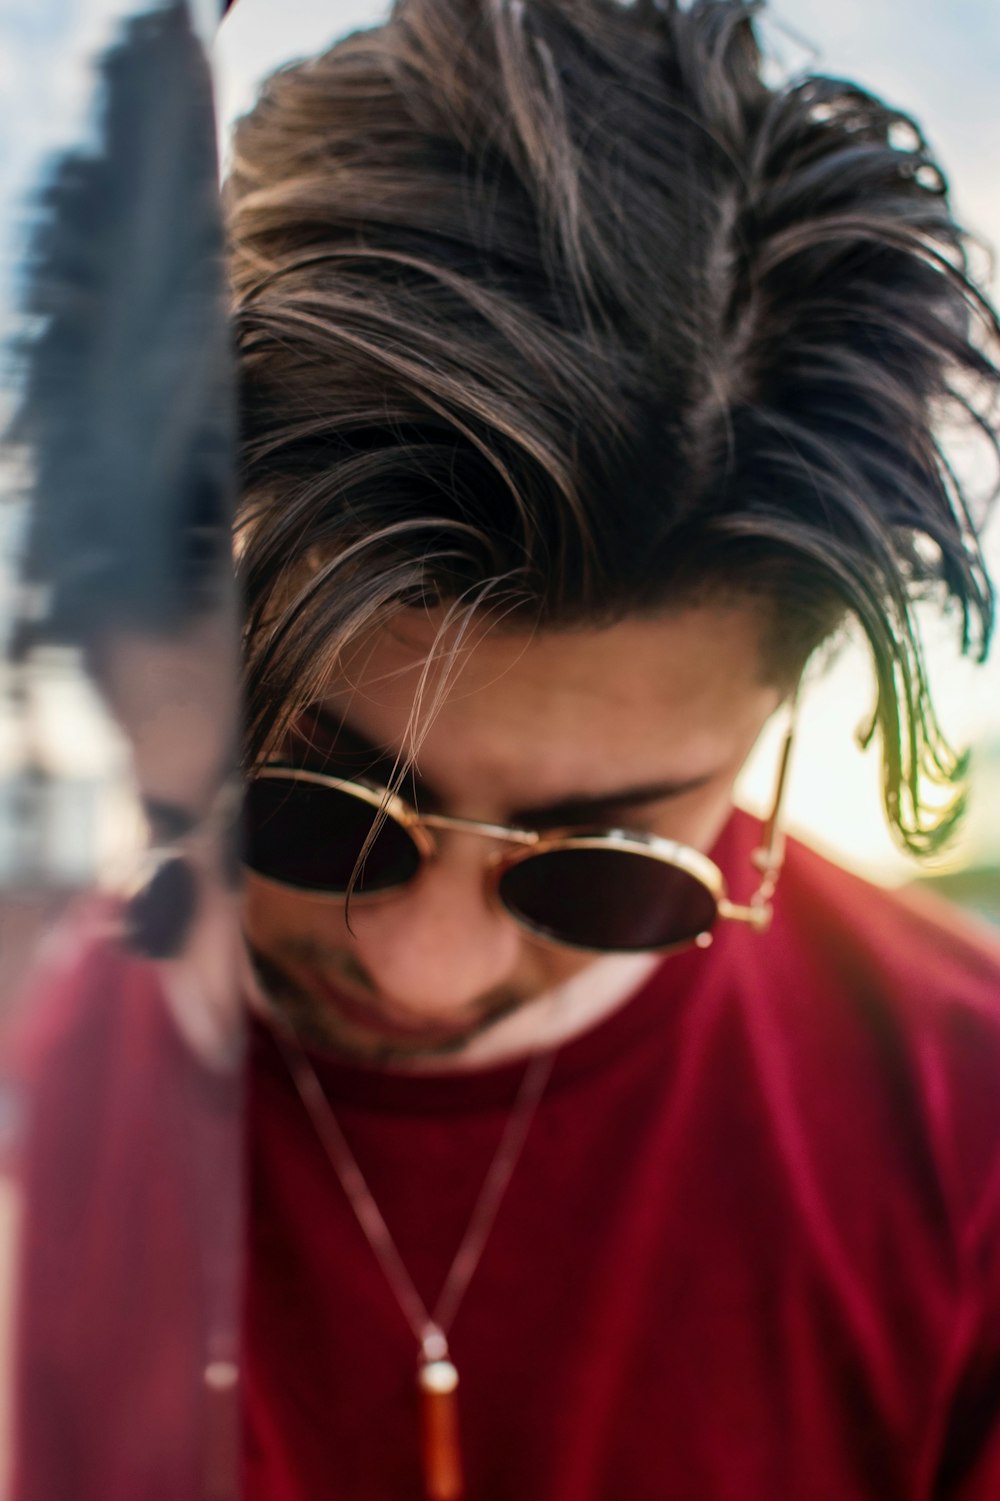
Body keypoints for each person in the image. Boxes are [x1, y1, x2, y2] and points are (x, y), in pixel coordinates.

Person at [7, 0, 1000, 1497]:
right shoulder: (54, 1080)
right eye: (314, 809)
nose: (425, 969)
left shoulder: (967, 1127)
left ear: (768, 740)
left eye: (603, 869)